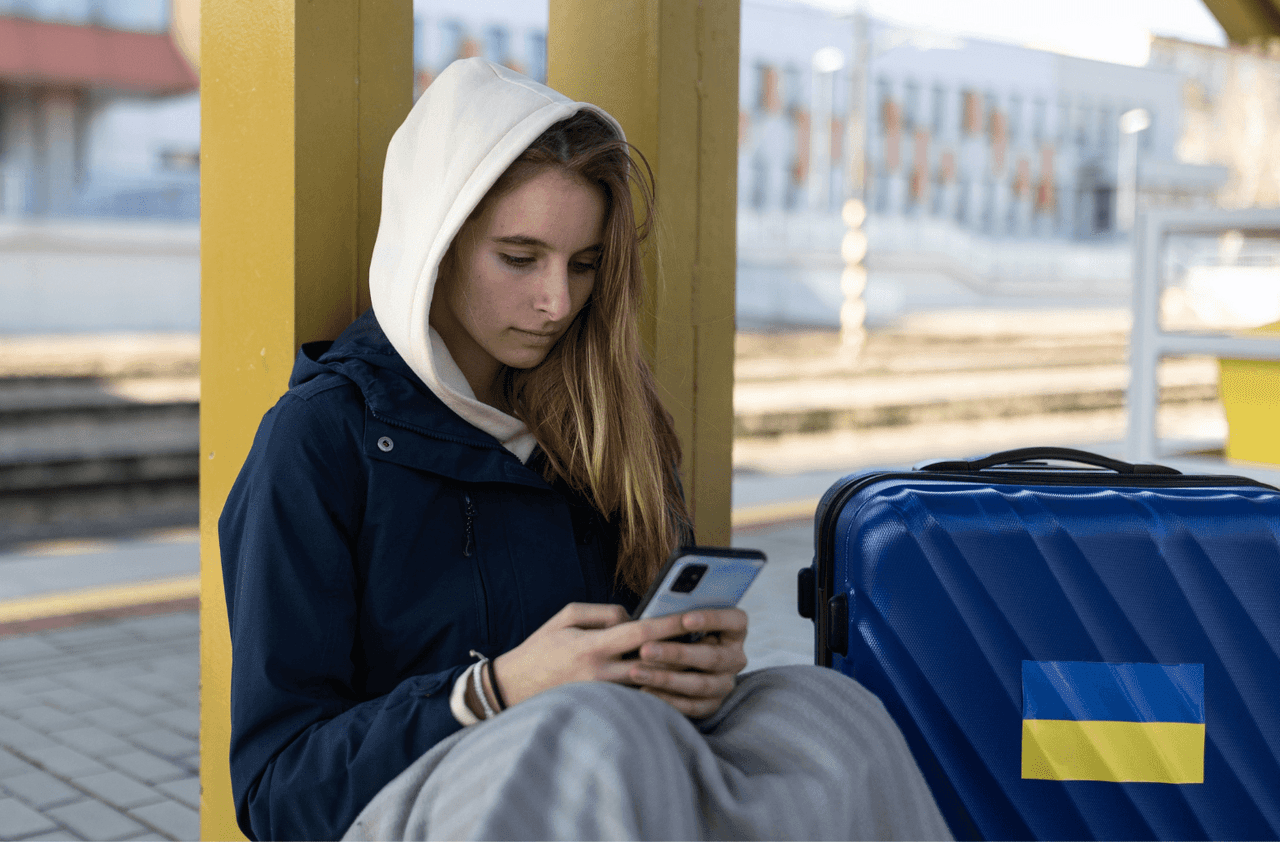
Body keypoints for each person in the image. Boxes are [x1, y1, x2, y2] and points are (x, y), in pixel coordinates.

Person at [219, 58, 950, 841]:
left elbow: (637, 665)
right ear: (436, 244)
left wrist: (688, 668)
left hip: (612, 771)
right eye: (520, 257)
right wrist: (491, 691)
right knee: (598, 735)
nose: (557, 303)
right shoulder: (321, 439)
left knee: (827, 713)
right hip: (423, 798)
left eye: (585, 264)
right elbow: (277, 794)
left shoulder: (609, 422)